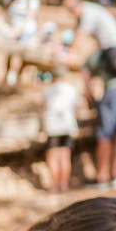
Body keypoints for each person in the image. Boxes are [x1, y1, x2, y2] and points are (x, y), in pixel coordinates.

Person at [62, 0, 116, 190]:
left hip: (113, 91)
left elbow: (80, 39)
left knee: (105, 133)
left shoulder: (89, 16)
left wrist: (69, 50)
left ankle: (102, 177)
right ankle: (115, 174)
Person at [40, 65, 80, 193]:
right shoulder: (71, 89)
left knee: (53, 155)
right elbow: (76, 107)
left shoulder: (47, 90)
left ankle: (54, 185)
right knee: (64, 155)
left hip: (52, 126)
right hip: (67, 126)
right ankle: (63, 184)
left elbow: (42, 107)